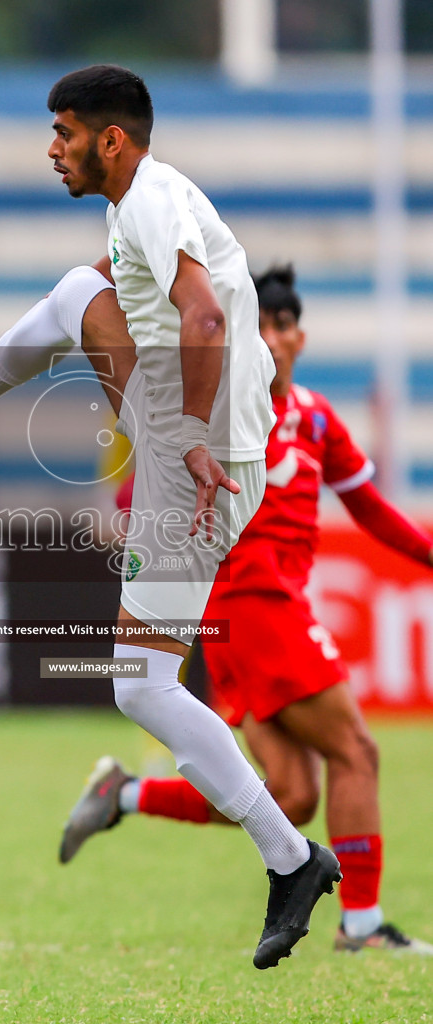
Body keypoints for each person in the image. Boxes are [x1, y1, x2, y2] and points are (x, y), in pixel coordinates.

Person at [0, 66, 341, 970]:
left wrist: (185, 439)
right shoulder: (146, 200)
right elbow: (157, 304)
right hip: (199, 439)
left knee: (140, 687)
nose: (51, 147)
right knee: (81, 288)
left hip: (202, 467)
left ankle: (291, 859)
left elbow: (202, 320)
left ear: (109, 139)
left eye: (64, 131)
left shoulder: (148, 202)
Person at [58, 264, 433, 956]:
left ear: (299, 337)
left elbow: (372, 512)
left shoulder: (317, 418)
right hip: (250, 605)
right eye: (259, 325)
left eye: (283, 326)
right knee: (355, 748)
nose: (274, 339)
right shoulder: (221, 410)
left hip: (265, 613)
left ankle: (127, 795)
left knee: (289, 795)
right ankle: (362, 926)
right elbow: (141, 493)